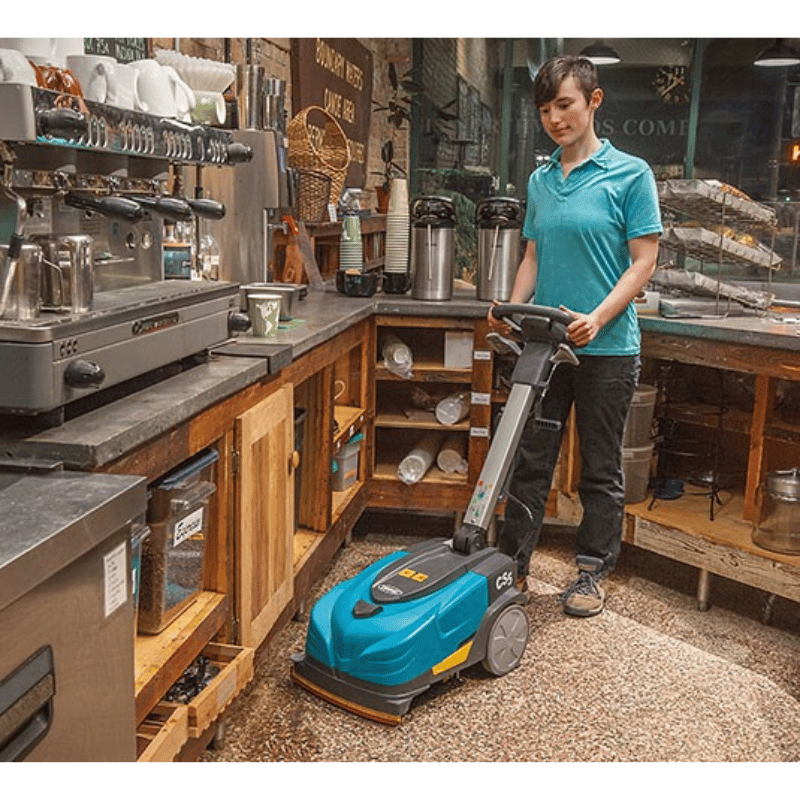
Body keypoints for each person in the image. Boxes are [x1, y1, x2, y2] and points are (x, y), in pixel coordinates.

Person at [488, 55, 662, 617]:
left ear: (594, 101)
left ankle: (590, 572)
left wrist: (598, 316)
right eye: (545, 109)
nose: (555, 119)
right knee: (530, 460)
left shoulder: (631, 174)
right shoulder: (541, 181)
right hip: (547, 348)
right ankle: (511, 566)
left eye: (564, 104)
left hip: (608, 350)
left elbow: (643, 261)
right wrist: (514, 310)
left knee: (600, 467)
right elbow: (533, 255)